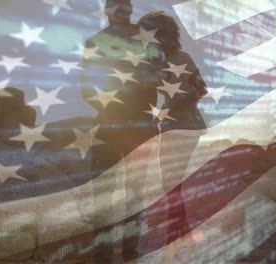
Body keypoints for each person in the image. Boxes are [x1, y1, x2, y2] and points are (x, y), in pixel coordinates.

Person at [80, 1, 166, 262]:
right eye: (116, 5)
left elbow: (162, 78)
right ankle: (104, 257)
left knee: (134, 195)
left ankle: (129, 254)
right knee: (105, 197)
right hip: (113, 126)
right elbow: (86, 85)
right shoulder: (96, 41)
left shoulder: (148, 42)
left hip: (138, 126)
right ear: (107, 9)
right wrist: (109, 108)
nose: (123, 9)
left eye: (126, 4)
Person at [138, 10, 208, 257]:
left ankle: (177, 232)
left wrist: (173, 104)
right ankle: (180, 229)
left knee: (170, 182)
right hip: (185, 126)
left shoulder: (171, 58)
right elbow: (201, 89)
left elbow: (200, 90)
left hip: (179, 127)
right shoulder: (170, 58)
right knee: (172, 182)